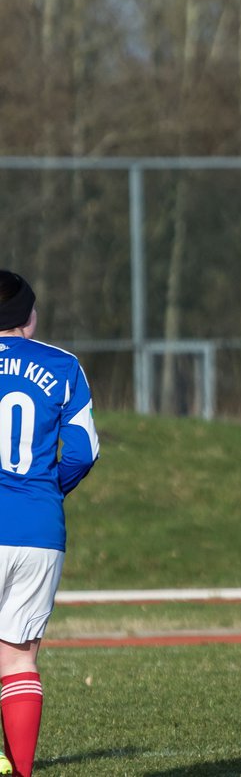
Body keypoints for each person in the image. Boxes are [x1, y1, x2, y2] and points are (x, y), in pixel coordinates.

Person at [0, 271, 100, 777]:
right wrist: (49, 489)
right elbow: (85, 452)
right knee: (19, 660)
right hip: (39, 530)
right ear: (30, 319)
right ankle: (20, 772)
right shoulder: (63, 366)